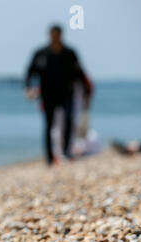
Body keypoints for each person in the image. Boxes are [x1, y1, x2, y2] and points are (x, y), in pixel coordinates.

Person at [25, 25, 91, 166]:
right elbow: (30, 72)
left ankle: (67, 152)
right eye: (53, 35)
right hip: (48, 95)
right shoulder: (41, 53)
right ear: (49, 35)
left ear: (61, 35)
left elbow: (79, 73)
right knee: (48, 125)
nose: (55, 37)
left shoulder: (70, 53)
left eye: (58, 35)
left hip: (67, 93)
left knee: (68, 120)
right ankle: (49, 158)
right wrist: (28, 88)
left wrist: (86, 92)